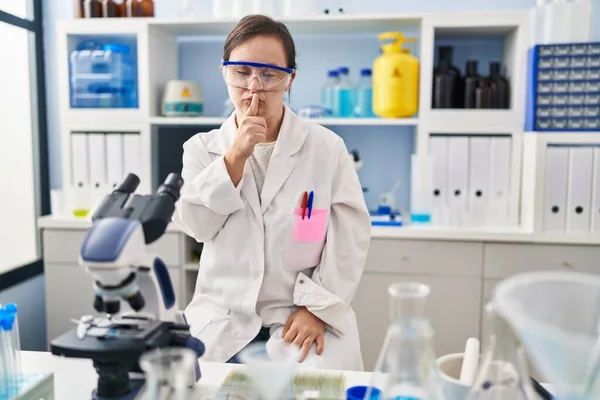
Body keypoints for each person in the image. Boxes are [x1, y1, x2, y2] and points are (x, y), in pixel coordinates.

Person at [172, 14, 371, 371]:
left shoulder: (326, 148)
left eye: (269, 74)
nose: (255, 86)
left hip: (298, 316)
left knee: (319, 390)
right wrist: (235, 156)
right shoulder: (202, 149)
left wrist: (317, 308)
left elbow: (350, 237)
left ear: (290, 79)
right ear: (224, 73)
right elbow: (197, 226)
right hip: (223, 317)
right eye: (242, 72)